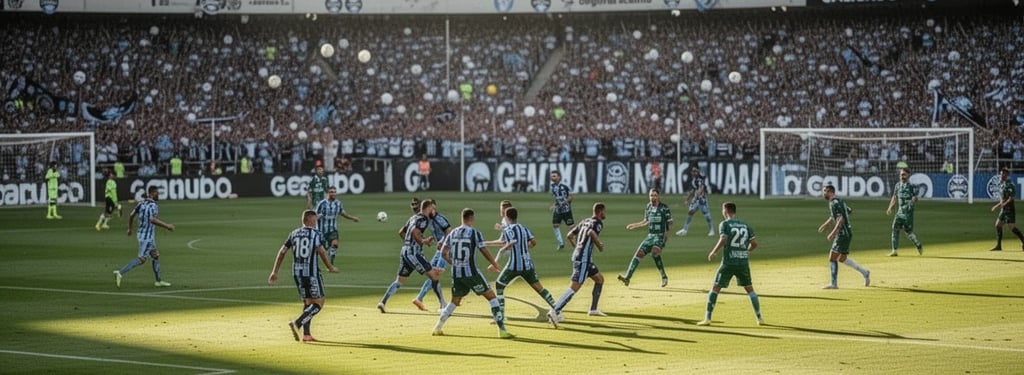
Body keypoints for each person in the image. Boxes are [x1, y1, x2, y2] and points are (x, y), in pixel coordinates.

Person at [431, 208, 513, 339]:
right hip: (472, 273)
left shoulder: (452, 233)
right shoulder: (474, 233)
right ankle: (502, 330)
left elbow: (443, 253)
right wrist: (495, 263)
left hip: (457, 273)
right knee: (492, 298)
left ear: (462, 218)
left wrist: (453, 262)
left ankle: (437, 327)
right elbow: (484, 250)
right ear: (472, 218)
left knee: (454, 301)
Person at [267, 209, 339, 343]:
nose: (317, 222)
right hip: (311, 273)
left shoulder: (293, 234)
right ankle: (297, 323)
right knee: (318, 303)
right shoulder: (316, 234)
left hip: (297, 273)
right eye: (315, 220)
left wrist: (274, 271)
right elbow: (322, 252)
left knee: (308, 302)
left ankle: (306, 335)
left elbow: (282, 252)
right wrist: (330, 267)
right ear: (311, 221)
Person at [696, 202, 763, 326]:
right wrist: (745, 251)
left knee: (715, 288)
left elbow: (723, 239)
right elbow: (754, 244)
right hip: (742, 263)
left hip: (728, 262)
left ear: (725, 211)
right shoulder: (745, 225)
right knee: (750, 290)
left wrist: (713, 252)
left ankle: (707, 318)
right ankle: (759, 318)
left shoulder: (725, 224)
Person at [547, 202, 608, 328]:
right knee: (574, 287)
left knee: (599, 279)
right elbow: (591, 233)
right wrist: (599, 245)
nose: (605, 214)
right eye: (604, 211)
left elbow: (569, 236)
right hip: (583, 260)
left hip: (581, 258)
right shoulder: (597, 223)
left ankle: (593, 309)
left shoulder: (584, 221)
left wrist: (577, 249)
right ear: (600, 211)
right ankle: (555, 310)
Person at [377, 199, 444, 313]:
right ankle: (443, 305)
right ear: (428, 208)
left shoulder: (413, 218)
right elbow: (415, 232)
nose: (433, 211)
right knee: (434, 276)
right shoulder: (423, 219)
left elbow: (401, 232)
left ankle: (383, 302)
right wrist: (422, 241)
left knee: (399, 281)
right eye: (432, 208)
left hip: (405, 251)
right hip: (414, 253)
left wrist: (410, 242)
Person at [493, 206, 557, 321]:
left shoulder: (507, 230)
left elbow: (505, 243)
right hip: (528, 264)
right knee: (539, 288)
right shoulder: (524, 228)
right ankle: (557, 309)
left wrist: (497, 255)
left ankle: (501, 316)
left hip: (514, 265)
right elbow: (533, 242)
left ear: (507, 217)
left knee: (499, 285)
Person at [113, 185, 175, 288]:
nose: (158, 195)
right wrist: (167, 226)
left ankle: (158, 281)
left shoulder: (140, 204)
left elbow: (131, 215)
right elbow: (152, 219)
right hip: (147, 237)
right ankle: (120, 273)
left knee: (155, 255)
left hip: (142, 234)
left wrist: (130, 229)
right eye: (156, 193)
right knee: (141, 259)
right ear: (151, 193)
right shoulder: (153, 206)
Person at [817, 184, 870, 289]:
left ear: (831, 192)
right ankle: (865, 273)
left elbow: (840, 219)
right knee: (842, 258)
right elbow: (848, 211)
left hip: (842, 234)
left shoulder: (834, 203)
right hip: (848, 233)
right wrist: (825, 225)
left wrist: (833, 232)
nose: (823, 193)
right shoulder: (839, 201)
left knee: (832, 258)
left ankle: (833, 283)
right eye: (823, 191)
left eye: (825, 191)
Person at [618, 188, 673, 287]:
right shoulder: (648, 207)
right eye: (651, 195)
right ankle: (627, 278)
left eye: (655, 195)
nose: (653, 197)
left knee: (655, 253)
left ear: (658, 196)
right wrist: (634, 225)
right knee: (638, 254)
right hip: (650, 236)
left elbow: (670, 223)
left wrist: (665, 238)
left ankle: (664, 277)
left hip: (659, 235)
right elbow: (645, 221)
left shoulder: (664, 208)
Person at [412, 200, 453, 312]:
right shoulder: (428, 220)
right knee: (433, 274)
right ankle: (426, 300)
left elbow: (450, 232)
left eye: (432, 208)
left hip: (448, 249)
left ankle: (421, 298)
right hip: (440, 251)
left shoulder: (439, 218)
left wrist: (442, 241)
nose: (431, 210)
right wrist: (428, 239)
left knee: (436, 273)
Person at [314, 186, 360, 264]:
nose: (334, 193)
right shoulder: (322, 204)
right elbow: (314, 216)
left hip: (333, 230)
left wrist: (353, 218)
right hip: (321, 231)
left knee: (335, 245)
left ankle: (331, 262)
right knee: (321, 251)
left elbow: (343, 213)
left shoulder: (338, 203)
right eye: (331, 192)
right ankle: (313, 261)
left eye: (335, 192)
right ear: (328, 193)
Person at [886, 168, 923, 256]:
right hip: (899, 212)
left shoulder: (911, 187)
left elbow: (916, 198)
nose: (902, 176)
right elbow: (894, 197)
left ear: (908, 175)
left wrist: (914, 199)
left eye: (904, 175)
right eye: (901, 175)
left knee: (908, 232)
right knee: (894, 228)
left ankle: (918, 244)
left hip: (908, 213)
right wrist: (890, 207)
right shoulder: (897, 185)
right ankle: (894, 250)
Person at [990, 167, 1024, 251]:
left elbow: (1011, 198)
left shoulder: (1010, 185)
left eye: (1002, 174)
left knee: (1012, 228)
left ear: (1006, 175)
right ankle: (998, 246)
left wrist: (1003, 204)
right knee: (998, 225)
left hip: (1009, 209)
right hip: (1004, 209)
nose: (1001, 176)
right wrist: (997, 206)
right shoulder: (1002, 185)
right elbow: (1003, 199)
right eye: (1000, 174)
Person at [676, 166, 715, 237]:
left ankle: (711, 230)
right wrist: (687, 199)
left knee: (706, 214)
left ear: (698, 172)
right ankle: (684, 230)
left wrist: (699, 194)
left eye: (695, 171)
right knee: (690, 212)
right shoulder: (693, 180)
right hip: (696, 199)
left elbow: (701, 187)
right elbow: (693, 190)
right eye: (693, 171)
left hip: (701, 199)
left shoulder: (699, 180)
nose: (694, 173)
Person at [550, 170, 574, 251]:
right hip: (558, 210)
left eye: (554, 176)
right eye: (552, 176)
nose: (552, 177)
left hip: (566, 210)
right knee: (555, 225)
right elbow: (557, 198)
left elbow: (571, 197)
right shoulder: (552, 187)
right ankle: (560, 244)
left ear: (559, 177)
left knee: (571, 226)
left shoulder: (565, 185)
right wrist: (554, 205)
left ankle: (578, 242)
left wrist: (564, 203)